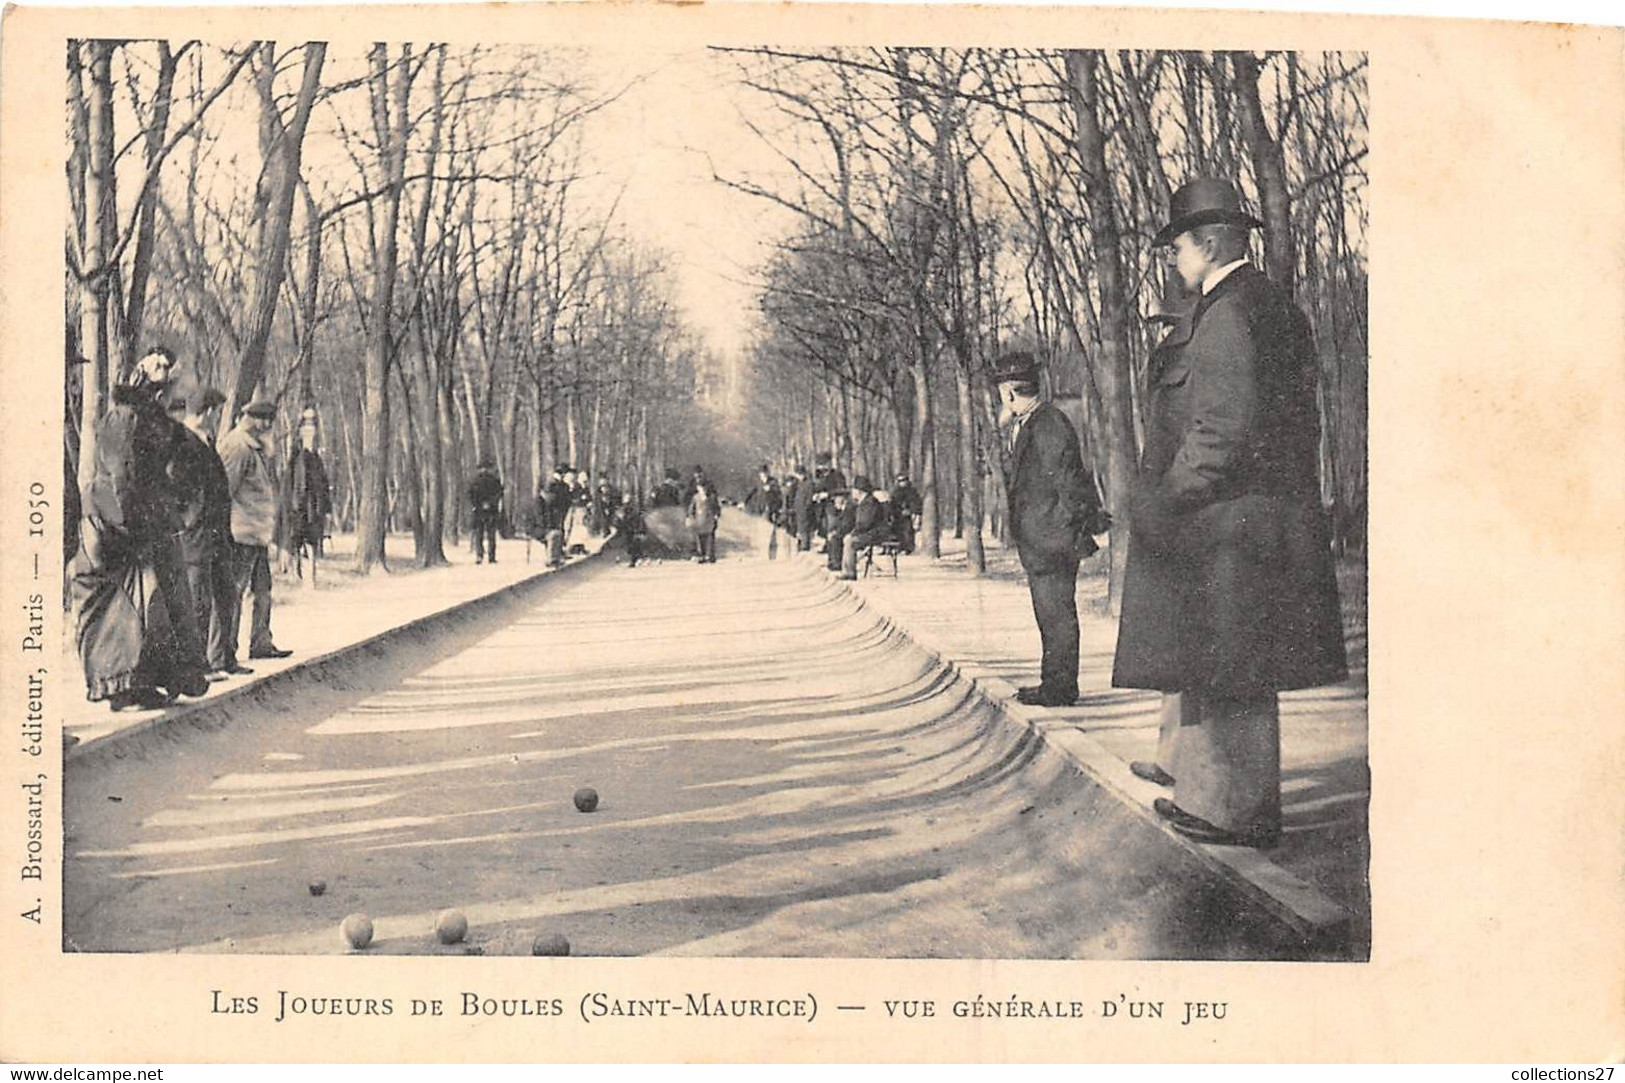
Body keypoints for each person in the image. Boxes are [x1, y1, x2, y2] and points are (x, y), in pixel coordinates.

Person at [1112, 177, 1347, 848]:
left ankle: (1232, 813)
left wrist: (1167, 496)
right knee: (1227, 665)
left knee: (1233, 668)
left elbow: (1221, 429)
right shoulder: (1267, 305)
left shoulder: (1228, 314)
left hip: (1229, 520)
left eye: (1177, 246)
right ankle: (1212, 799)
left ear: (1210, 244)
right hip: (1254, 517)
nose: (1172, 260)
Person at [73, 347, 211, 709]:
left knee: (160, 600)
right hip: (118, 521)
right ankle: (124, 685)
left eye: (168, 367)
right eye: (157, 365)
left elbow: (178, 461)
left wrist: (176, 500)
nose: (163, 372)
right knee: (128, 606)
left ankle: (151, 679)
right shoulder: (123, 417)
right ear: (140, 372)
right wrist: (131, 526)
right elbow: (121, 476)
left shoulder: (156, 419)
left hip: (149, 519)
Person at [993, 349, 1102, 708]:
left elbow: (1069, 481)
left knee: (1056, 614)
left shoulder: (1047, 422)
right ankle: (1053, 681)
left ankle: (1060, 687)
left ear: (1009, 392)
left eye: (1001, 392)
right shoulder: (1033, 423)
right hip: (1043, 537)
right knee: (1049, 613)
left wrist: (1073, 528)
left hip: (1052, 538)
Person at [168, 386, 247, 680]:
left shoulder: (206, 440)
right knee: (198, 602)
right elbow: (178, 489)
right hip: (197, 536)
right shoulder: (181, 441)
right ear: (209, 412)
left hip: (217, 535)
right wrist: (191, 519)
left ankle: (221, 659)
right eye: (215, 411)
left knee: (225, 595)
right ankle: (197, 667)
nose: (216, 417)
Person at [218, 399, 292, 662]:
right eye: (261, 420)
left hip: (257, 533)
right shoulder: (238, 446)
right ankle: (227, 650)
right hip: (241, 533)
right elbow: (224, 490)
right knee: (235, 591)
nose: (265, 426)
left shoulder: (256, 448)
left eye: (267, 421)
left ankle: (261, 642)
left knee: (263, 590)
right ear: (250, 419)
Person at [283, 407, 331, 579]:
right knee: (298, 539)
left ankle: (310, 575)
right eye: (307, 426)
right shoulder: (297, 456)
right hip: (300, 506)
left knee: (312, 539)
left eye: (312, 426)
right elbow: (294, 484)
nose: (310, 430)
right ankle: (296, 571)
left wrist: (326, 507)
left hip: (313, 506)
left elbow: (322, 484)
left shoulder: (316, 457)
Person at [837, 475, 885, 580]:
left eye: (854, 490)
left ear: (860, 491)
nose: (852, 492)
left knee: (850, 541)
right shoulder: (863, 502)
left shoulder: (870, 503)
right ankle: (845, 569)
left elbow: (865, 523)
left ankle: (849, 572)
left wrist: (853, 533)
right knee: (847, 538)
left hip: (876, 533)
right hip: (869, 532)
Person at [467, 457, 503, 564]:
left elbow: (470, 494)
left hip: (479, 510)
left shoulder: (474, 481)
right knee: (490, 534)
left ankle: (480, 555)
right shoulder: (495, 480)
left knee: (480, 534)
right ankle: (491, 556)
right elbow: (499, 494)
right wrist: (490, 503)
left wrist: (476, 504)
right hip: (490, 510)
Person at [687, 479, 721, 563]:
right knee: (701, 538)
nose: (702, 489)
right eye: (700, 487)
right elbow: (692, 508)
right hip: (700, 520)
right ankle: (702, 555)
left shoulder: (711, 497)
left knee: (710, 538)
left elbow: (716, 507)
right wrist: (691, 516)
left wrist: (716, 515)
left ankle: (710, 555)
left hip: (709, 520)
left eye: (703, 487)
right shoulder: (696, 497)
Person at [890, 472, 922, 554]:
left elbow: (916, 502)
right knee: (897, 530)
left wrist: (911, 511)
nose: (902, 482)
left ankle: (909, 548)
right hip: (898, 515)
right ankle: (899, 546)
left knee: (908, 531)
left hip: (908, 515)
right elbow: (893, 503)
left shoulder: (912, 491)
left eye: (903, 480)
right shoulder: (896, 491)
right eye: (900, 480)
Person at [614, 493, 646, 568]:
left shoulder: (633, 510)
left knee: (632, 545)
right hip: (627, 529)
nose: (628, 504)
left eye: (629, 502)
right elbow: (619, 519)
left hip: (631, 529)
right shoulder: (624, 510)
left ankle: (634, 559)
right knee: (630, 545)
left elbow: (638, 519)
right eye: (627, 503)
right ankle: (636, 557)